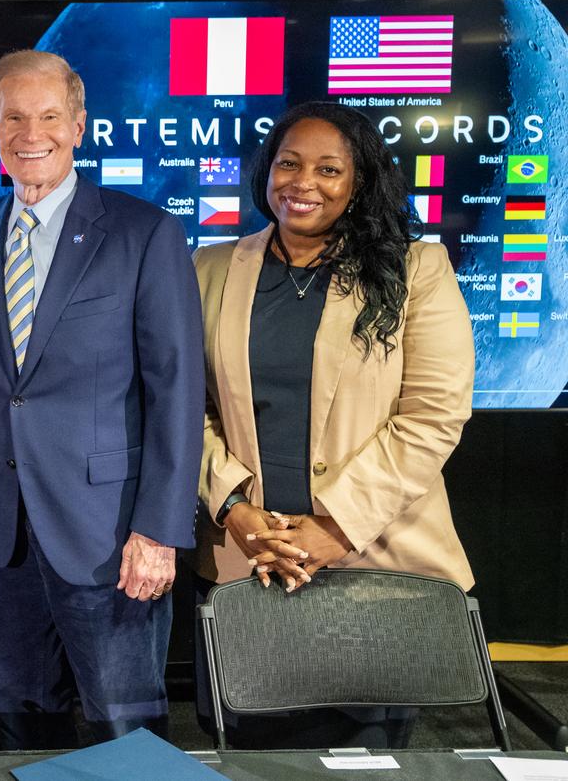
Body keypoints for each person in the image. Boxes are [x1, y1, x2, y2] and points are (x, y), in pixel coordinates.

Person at [0, 50, 204, 748]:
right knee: (22, 719)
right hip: (7, 531)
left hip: (111, 535)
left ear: (78, 126)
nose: (30, 132)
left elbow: (177, 390)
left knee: (125, 727)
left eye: (48, 116)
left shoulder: (144, 233)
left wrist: (159, 531)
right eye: (14, 116)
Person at [191, 100, 475, 748]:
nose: (303, 183)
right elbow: (183, 408)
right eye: (288, 164)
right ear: (266, 172)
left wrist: (335, 527)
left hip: (376, 564)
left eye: (328, 169)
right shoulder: (208, 269)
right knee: (245, 750)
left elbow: (433, 415)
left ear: (359, 182)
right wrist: (232, 507)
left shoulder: (416, 269)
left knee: (363, 756)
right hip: (250, 561)